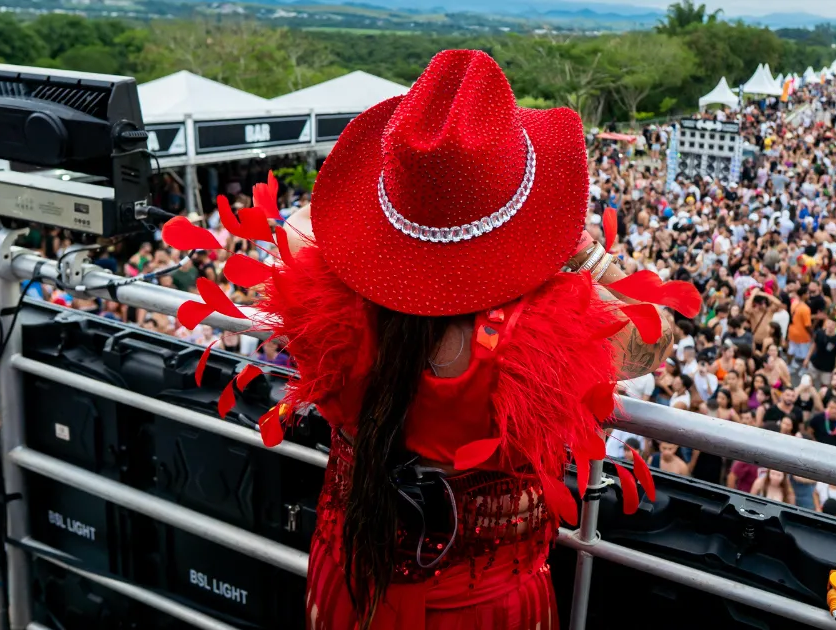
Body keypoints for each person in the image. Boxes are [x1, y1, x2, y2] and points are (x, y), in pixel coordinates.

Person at [235, 51, 700, 629]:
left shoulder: (318, 295)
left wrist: (394, 228)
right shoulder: (542, 340)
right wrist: (584, 254)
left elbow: (307, 222)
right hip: (487, 608)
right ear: (514, 216)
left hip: (350, 581)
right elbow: (655, 334)